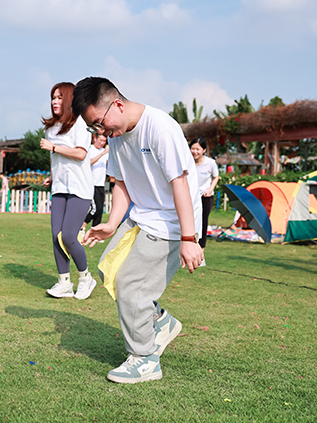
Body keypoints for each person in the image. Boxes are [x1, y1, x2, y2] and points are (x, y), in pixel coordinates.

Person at [72, 77, 202, 383]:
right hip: (142, 215)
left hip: (171, 221)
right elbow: (122, 183)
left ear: (117, 104)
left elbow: (179, 183)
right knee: (111, 271)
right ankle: (159, 321)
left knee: (133, 287)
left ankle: (144, 359)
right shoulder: (117, 136)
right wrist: (112, 223)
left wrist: (188, 237)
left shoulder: (160, 128)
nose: (102, 133)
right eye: (95, 129)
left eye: (100, 123)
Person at [39, 82, 97, 300]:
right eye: (53, 97)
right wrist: (52, 177)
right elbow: (56, 159)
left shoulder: (81, 124)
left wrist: (53, 147)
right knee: (56, 236)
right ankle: (64, 282)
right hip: (59, 188)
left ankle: (85, 277)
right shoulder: (51, 128)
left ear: (70, 100)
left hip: (79, 188)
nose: (55, 101)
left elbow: (81, 154)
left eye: (59, 97)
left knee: (69, 236)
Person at [190, 137, 219, 265]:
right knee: (188, 222)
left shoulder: (210, 163)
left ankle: (201, 254)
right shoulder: (187, 161)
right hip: (190, 197)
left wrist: (210, 189)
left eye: (197, 149)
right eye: (192, 148)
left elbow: (216, 176)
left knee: (202, 223)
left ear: (204, 150)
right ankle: (188, 250)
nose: (194, 151)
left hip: (205, 197)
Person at [81, 133, 109, 233]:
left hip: (101, 184)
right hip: (91, 184)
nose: (102, 143)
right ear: (95, 138)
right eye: (100, 140)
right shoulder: (90, 149)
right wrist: (102, 153)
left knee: (100, 209)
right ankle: (82, 226)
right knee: (95, 209)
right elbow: (88, 163)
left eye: (104, 141)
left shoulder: (105, 151)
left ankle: (95, 232)